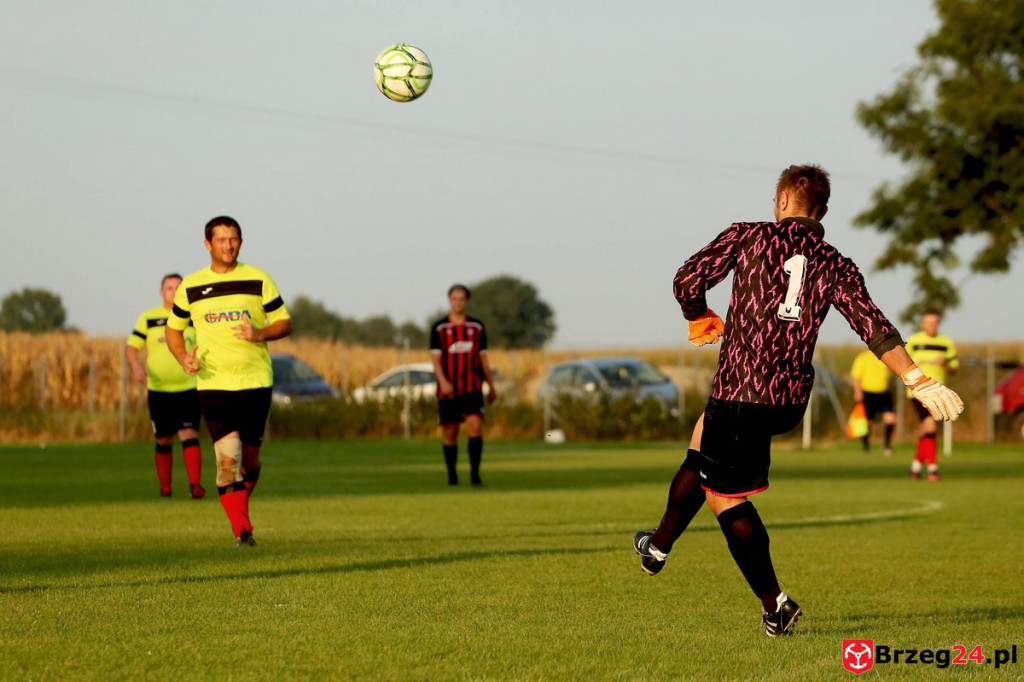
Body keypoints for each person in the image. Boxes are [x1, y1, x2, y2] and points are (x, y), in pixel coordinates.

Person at [632, 165, 963, 637]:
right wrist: (917, 379)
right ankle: (657, 546)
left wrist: (698, 315)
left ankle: (776, 604)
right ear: (822, 212)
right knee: (702, 443)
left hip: (740, 391)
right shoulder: (836, 263)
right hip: (786, 401)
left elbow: (687, 280)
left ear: (783, 201)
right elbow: (873, 325)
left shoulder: (746, 236)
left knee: (724, 496)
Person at [166, 216, 292, 547]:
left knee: (249, 461)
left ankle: (242, 510)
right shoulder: (191, 286)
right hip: (213, 383)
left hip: (255, 382)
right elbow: (173, 329)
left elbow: (284, 322)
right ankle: (242, 530)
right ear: (208, 244)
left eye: (233, 238)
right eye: (221, 239)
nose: (228, 244)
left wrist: (260, 332)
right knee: (226, 460)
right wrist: (182, 357)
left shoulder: (258, 279)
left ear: (241, 241)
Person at [125, 273, 205, 499]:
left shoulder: (193, 318)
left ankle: (195, 486)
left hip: (189, 386)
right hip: (159, 390)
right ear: (162, 292)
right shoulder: (149, 318)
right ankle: (166, 488)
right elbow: (132, 347)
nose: (174, 291)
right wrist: (135, 367)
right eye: (169, 288)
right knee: (163, 438)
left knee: (189, 434)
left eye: (178, 288)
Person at [429, 284, 497, 486]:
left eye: (461, 299)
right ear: (449, 301)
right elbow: (435, 360)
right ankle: (452, 475)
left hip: (472, 387)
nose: (458, 302)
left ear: (466, 301)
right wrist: (443, 381)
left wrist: (491, 386)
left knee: (475, 426)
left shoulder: (477, 328)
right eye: (454, 298)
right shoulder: (440, 328)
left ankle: (475, 475)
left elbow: (484, 360)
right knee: (451, 432)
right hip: (449, 389)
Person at [905, 310, 959, 481]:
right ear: (922, 324)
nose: (932, 326)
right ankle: (933, 469)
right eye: (928, 322)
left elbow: (954, 368)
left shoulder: (946, 343)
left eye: (935, 322)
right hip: (917, 393)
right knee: (931, 427)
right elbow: (902, 364)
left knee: (927, 430)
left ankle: (915, 467)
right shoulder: (913, 341)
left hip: (937, 393)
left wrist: (945, 365)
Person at [849, 348, 897, 455]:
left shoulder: (885, 357)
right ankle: (866, 447)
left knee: (891, 419)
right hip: (868, 393)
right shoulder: (862, 358)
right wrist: (858, 392)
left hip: (884, 393)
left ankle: (887, 446)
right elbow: (856, 377)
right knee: (867, 422)